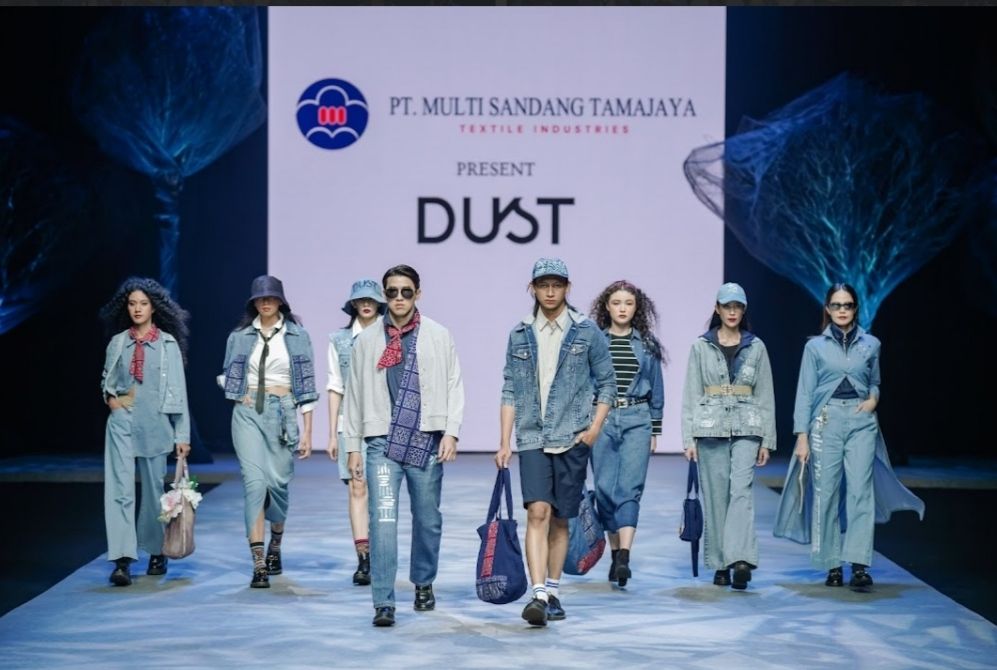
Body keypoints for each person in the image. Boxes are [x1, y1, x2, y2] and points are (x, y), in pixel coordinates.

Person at [774, 283, 924, 589]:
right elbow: (804, 393)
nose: (842, 310)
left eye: (847, 305)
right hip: (825, 421)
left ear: (855, 308)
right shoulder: (814, 347)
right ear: (827, 309)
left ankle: (859, 564)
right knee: (826, 492)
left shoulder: (872, 344)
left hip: (860, 420)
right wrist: (801, 435)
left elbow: (875, 381)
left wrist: (873, 399)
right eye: (836, 305)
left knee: (860, 491)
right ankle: (831, 564)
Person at [495, 258, 616, 627]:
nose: (550, 292)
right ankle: (537, 595)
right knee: (537, 512)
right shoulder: (519, 334)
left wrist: (594, 429)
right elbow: (510, 388)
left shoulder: (587, 331)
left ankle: (553, 589)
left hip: (572, 435)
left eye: (557, 285)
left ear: (567, 288)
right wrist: (504, 441)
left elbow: (607, 383)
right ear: (532, 288)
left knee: (561, 519)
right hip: (532, 434)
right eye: (543, 285)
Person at [342, 265, 464, 627]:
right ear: (384, 295)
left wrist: (451, 432)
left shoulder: (438, 334)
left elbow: (454, 382)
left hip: (425, 439)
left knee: (428, 519)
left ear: (417, 294)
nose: (399, 298)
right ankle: (383, 600)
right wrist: (352, 445)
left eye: (406, 291)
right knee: (382, 521)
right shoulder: (367, 340)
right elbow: (353, 393)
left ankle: (423, 581)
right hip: (381, 441)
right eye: (392, 291)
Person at [220, 275, 317, 589]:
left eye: (271, 297)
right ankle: (259, 562)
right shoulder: (239, 336)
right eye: (260, 298)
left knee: (278, 484)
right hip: (247, 414)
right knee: (255, 484)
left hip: (282, 413)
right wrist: (239, 393)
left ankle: (276, 544)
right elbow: (226, 374)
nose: (265, 302)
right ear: (253, 303)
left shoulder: (297, 335)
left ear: (280, 302)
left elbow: (307, 385)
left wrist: (308, 431)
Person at [680, 282, 776, 590]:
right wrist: (688, 438)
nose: (732, 311)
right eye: (727, 306)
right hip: (710, 426)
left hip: (748, 426)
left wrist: (767, 439)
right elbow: (691, 393)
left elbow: (765, 393)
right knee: (716, 495)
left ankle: (741, 560)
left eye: (737, 306)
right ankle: (721, 563)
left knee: (741, 492)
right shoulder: (701, 346)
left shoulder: (756, 346)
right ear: (717, 309)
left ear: (743, 310)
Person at [99, 277, 191, 586]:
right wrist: (112, 400)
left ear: (154, 307)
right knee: (119, 492)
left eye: (143, 303)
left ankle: (155, 550)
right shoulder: (118, 342)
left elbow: (179, 390)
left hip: (155, 424)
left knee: (153, 493)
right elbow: (107, 380)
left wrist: (182, 435)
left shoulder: (167, 345)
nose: (137, 309)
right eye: (132, 304)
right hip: (122, 424)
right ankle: (122, 560)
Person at [587, 280, 666, 588]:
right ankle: (615, 552)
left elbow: (656, 387)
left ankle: (624, 556)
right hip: (602, 419)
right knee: (605, 490)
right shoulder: (595, 342)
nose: (622, 308)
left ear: (637, 308)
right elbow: (585, 384)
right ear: (606, 307)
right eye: (617, 303)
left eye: (628, 303)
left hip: (637, 417)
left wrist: (655, 428)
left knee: (630, 489)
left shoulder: (646, 345)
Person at [326, 278, 386, 586]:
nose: (365, 304)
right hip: (350, 424)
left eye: (371, 299)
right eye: (360, 300)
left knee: (382, 491)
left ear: (379, 303)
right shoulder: (339, 340)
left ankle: (382, 553)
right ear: (352, 304)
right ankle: (364, 558)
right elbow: (335, 386)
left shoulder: (392, 336)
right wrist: (331, 433)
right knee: (357, 488)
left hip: (384, 423)